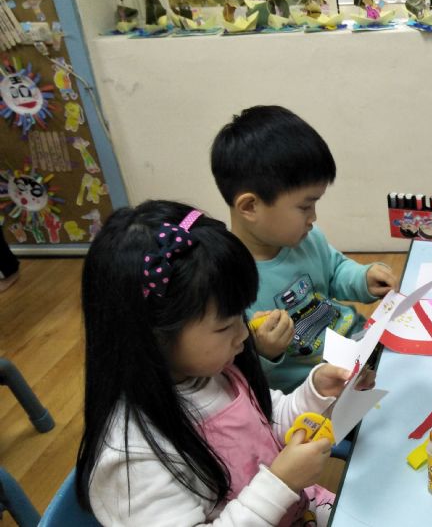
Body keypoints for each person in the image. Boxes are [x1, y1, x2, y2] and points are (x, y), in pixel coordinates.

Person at [76, 200, 372, 526]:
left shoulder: (215, 370)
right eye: (224, 326)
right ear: (153, 334)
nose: (244, 334)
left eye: (240, 316)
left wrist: (316, 391)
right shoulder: (132, 459)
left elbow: (268, 422)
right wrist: (281, 484)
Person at [211, 106, 398, 392]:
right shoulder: (226, 281)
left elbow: (335, 270)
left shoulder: (306, 239)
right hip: (316, 390)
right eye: (304, 206)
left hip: (360, 344)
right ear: (250, 206)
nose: (313, 217)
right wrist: (265, 352)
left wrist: (363, 279)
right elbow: (236, 373)